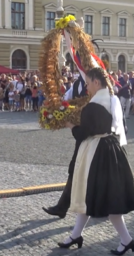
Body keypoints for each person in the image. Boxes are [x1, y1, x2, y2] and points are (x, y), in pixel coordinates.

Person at [57, 67, 134, 255]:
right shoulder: (111, 100)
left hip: (96, 153)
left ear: (97, 82)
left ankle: (126, 239)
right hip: (111, 149)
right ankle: (76, 235)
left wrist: (70, 125)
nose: (86, 88)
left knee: (101, 198)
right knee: (93, 197)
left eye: (88, 83)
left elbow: (82, 134)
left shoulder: (93, 106)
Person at [42, 76, 88, 219]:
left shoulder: (97, 81)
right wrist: (55, 106)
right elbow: (65, 100)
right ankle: (62, 207)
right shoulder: (77, 83)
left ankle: (109, 207)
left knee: (97, 173)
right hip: (83, 134)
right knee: (74, 170)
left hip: (92, 134)